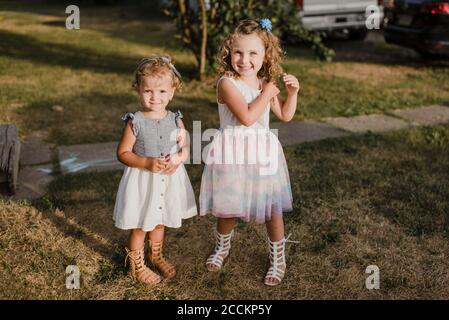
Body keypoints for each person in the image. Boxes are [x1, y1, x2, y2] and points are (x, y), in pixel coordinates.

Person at [199, 18, 300, 286]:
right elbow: (246, 117)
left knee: (272, 211)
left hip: (263, 155)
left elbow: (285, 115)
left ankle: (278, 259)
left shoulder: (264, 82)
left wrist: (291, 93)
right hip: (232, 154)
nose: (245, 59)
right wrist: (266, 94)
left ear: (266, 55)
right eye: (238, 52)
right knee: (228, 209)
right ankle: (222, 247)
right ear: (229, 52)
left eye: (253, 53)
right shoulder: (226, 83)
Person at [113, 56, 197, 284]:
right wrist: (145, 163)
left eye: (161, 92)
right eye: (148, 91)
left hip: (168, 178)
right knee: (142, 224)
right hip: (144, 180)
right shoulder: (135, 121)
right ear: (138, 90)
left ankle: (156, 255)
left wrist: (179, 158)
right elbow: (123, 153)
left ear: (172, 92)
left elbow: (186, 144)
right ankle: (137, 266)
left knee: (160, 221)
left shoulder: (175, 118)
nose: (155, 97)